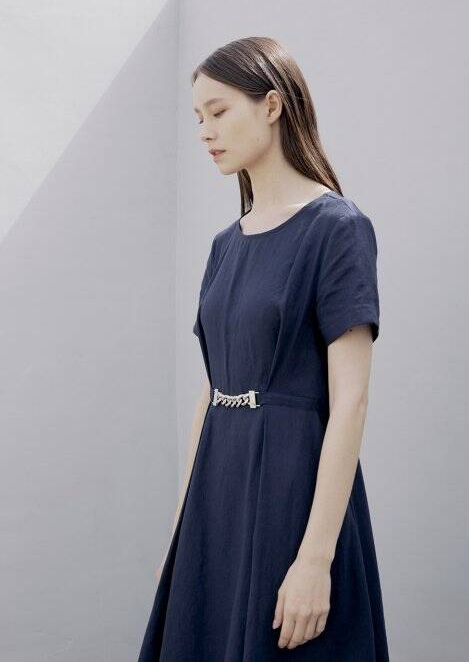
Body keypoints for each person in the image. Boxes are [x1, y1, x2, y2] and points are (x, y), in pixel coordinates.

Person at [138, 36, 390, 661]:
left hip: (292, 489)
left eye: (219, 111)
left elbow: (351, 402)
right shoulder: (225, 245)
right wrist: (182, 526)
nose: (205, 131)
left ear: (272, 105)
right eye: (198, 117)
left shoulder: (338, 229)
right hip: (217, 488)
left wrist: (315, 560)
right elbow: (213, 389)